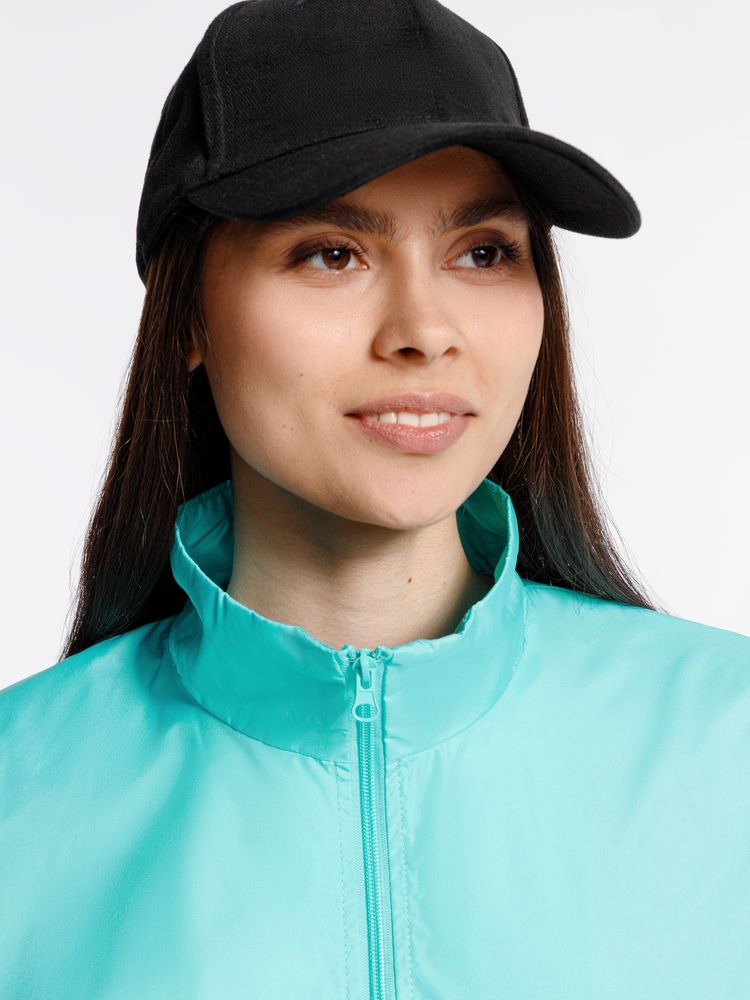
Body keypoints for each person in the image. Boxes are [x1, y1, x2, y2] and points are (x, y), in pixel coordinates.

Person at [2, 1, 748, 997]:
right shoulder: (21, 793)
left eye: (483, 251)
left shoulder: (729, 742)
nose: (425, 331)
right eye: (332, 253)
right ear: (188, 319)